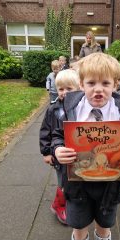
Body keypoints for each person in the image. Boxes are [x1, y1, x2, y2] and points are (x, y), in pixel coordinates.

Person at [51, 53, 120, 240]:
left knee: (105, 223)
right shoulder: (69, 107)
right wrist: (57, 150)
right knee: (78, 222)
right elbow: (57, 136)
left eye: (105, 83)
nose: (98, 89)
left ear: (115, 84)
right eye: (91, 83)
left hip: (111, 183)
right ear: (81, 84)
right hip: (77, 182)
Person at [40, 69, 80, 225]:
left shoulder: (80, 108)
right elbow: (45, 131)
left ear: (79, 88)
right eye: (61, 89)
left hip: (76, 154)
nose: (64, 92)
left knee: (75, 179)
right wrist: (46, 152)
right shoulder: (53, 109)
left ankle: (70, 204)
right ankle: (60, 205)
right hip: (58, 155)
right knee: (63, 181)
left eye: (69, 89)